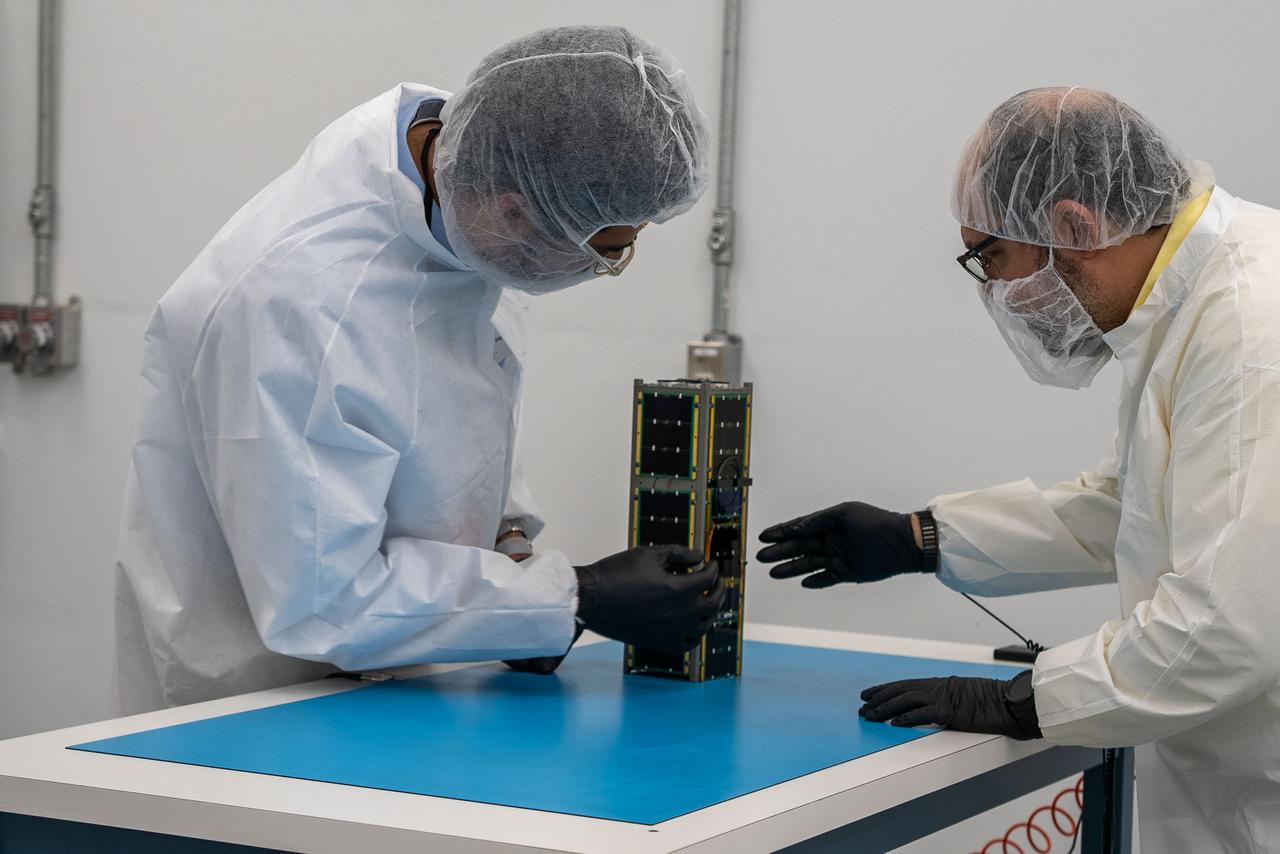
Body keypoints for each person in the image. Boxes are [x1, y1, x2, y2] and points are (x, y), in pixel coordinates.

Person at [114, 25, 722, 714]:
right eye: (606, 249)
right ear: (515, 212)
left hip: (408, 686)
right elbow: (322, 604)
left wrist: (515, 563)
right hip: (260, 702)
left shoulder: (472, 182)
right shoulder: (302, 306)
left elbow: (446, 418)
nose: (610, 266)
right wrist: (578, 594)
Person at [758, 87, 1280, 852]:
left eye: (991, 257)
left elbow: (1230, 625)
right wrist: (921, 537)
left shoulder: (1248, 329)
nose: (997, 293)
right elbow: (1132, 506)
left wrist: (1026, 701)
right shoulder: (1189, 302)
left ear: (1073, 224)